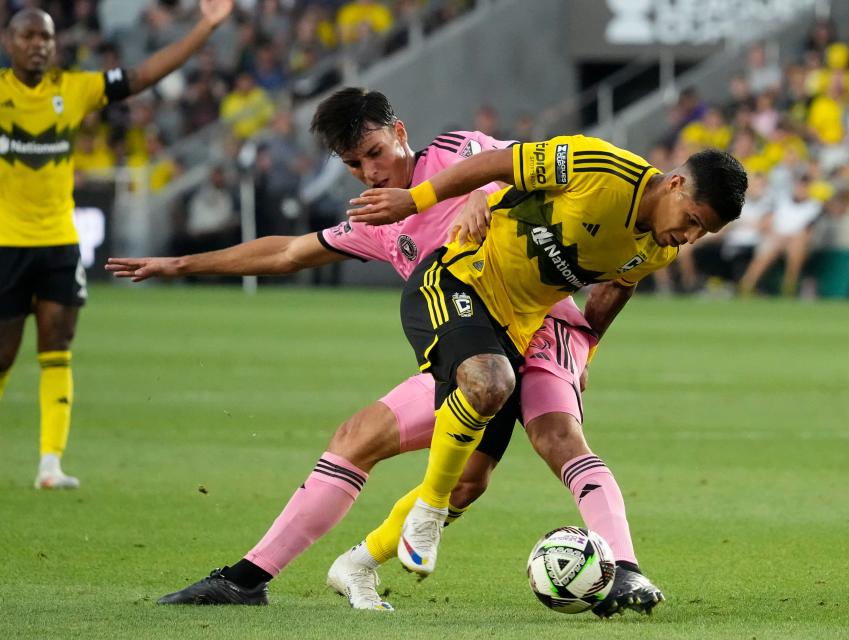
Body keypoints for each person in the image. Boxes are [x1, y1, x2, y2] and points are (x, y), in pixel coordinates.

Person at [107, 88, 663, 617]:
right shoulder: (377, 218)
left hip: (543, 329)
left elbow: (511, 167)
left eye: (375, 152)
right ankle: (248, 579)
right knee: (379, 447)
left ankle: (627, 569)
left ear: (400, 133)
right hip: (474, 340)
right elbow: (289, 253)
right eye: (354, 164)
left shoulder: (454, 150)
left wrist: (477, 198)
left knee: (558, 439)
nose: (370, 171)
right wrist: (181, 265)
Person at [344, 132, 747, 586]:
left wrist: (585, 348)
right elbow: (499, 162)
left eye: (702, 233)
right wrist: (415, 200)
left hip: (518, 327)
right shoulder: (599, 168)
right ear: (674, 184)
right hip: (461, 280)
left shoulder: (659, 248)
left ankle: (357, 563)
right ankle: (428, 510)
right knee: (490, 382)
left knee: (472, 479)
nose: (689, 238)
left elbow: (617, 285)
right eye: (691, 220)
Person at [0, 1, 235, 490]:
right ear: (9, 43)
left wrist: (205, 27)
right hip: (6, 243)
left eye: (45, 37)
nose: (38, 45)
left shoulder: (74, 87)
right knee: (2, 355)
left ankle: (50, 465)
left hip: (58, 242)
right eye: (27, 37)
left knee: (57, 348)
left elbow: (144, 74)